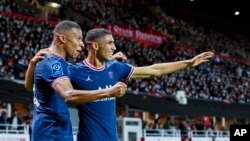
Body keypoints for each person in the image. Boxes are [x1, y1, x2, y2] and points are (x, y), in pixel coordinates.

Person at [69, 28, 214, 141]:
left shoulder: (116, 68)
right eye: (109, 43)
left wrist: (188, 63)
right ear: (94, 45)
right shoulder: (74, 71)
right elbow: (64, 94)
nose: (114, 47)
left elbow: (153, 70)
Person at [26, 21, 127, 141]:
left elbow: (29, 86)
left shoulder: (54, 62)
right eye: (78, 39)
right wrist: (109, 92)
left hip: (56, 130)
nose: (82, 44)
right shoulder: (53, 63)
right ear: (62, 38)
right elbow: (69, 95)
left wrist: (32, 65)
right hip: (51, 134)